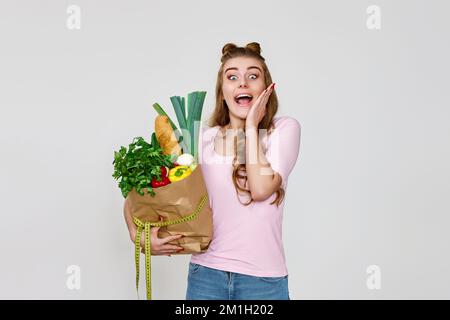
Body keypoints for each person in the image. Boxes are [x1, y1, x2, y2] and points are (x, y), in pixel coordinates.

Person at [124, 42, 301, 300]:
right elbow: (140, 194)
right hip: (206, 277)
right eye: (232, 77)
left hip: (263, 283)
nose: (243, 83)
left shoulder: (282, 131)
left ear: (266, 88)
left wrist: (251, 126)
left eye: (253, 76)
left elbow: (261, 189)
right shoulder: (200, 140)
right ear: (223, 91)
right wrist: (137, 235)